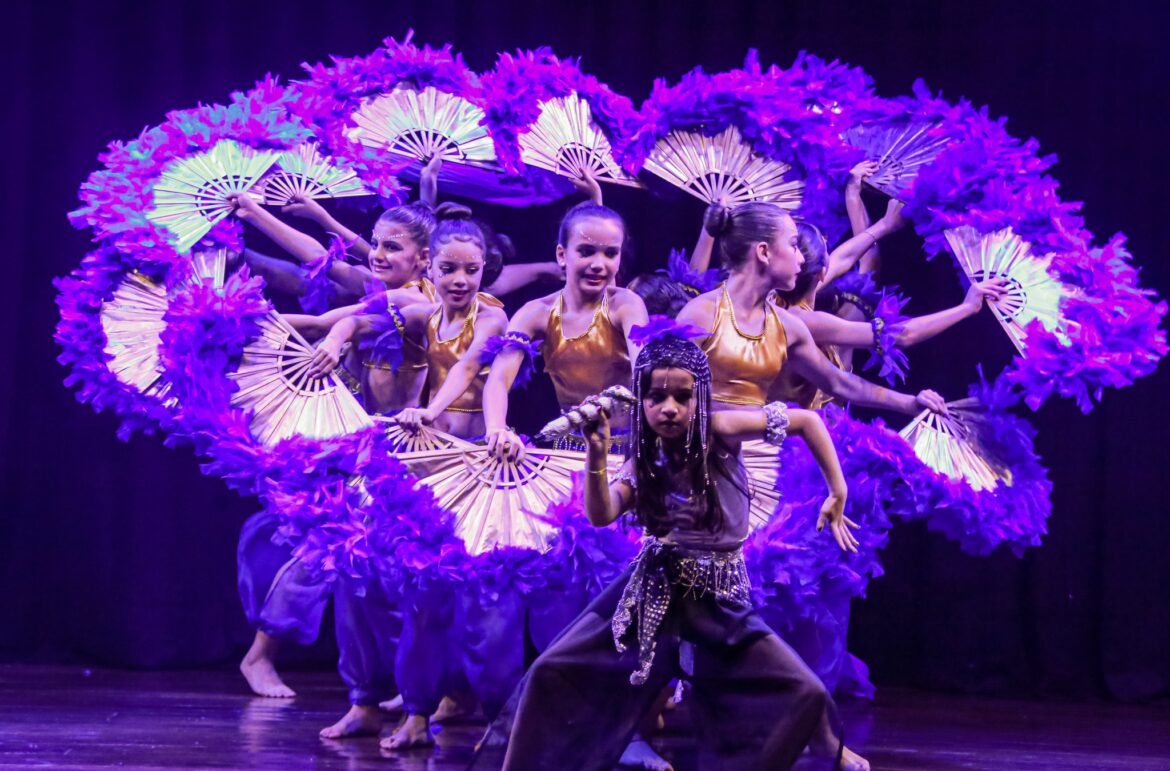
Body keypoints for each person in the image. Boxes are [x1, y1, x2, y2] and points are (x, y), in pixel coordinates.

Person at [498, 330, 867, 770]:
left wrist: (837, 490)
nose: (669, 408)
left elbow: (808, 421)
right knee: (551, 670)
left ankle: (827, 745)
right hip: (654, 589)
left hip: (716, 597)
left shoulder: (722, 429)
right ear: (641, 400)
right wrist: (596, 455)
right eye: (656, 397)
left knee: (801, 689)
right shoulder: (642, 458)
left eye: (682, 397)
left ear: (700, 397)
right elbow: (602, 514)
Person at [483, 201, 649, 460]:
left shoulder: (625, 304)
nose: (598, 264)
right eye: (586, 251)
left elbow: (645, 371)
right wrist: (496, 428)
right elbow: (498, 379)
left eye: (610, 253)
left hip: (625, 453)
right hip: (569, 454)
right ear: (562, 255)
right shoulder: (536, 313)